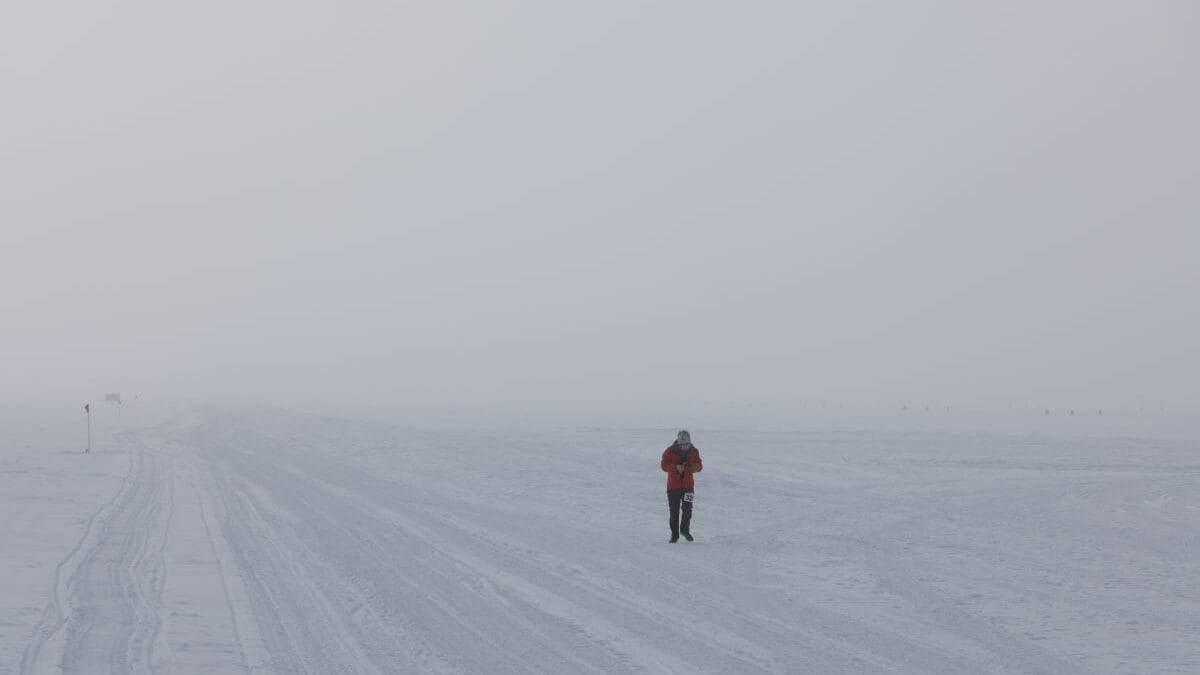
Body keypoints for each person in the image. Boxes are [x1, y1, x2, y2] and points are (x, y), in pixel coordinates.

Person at [661, 430, 702, 542]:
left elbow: (699, 466)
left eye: (686, 444)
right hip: (673, 487)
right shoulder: (669, 451)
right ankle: (674, 535)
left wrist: (692, 467)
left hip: (688, 486)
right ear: (678, 443)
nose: (684, 446)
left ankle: (685, 530)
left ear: (689, 442)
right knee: (674, 511)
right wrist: (675, 467)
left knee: (688, 509)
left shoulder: (694, 451)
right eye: (682, 444)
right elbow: (664, 466)